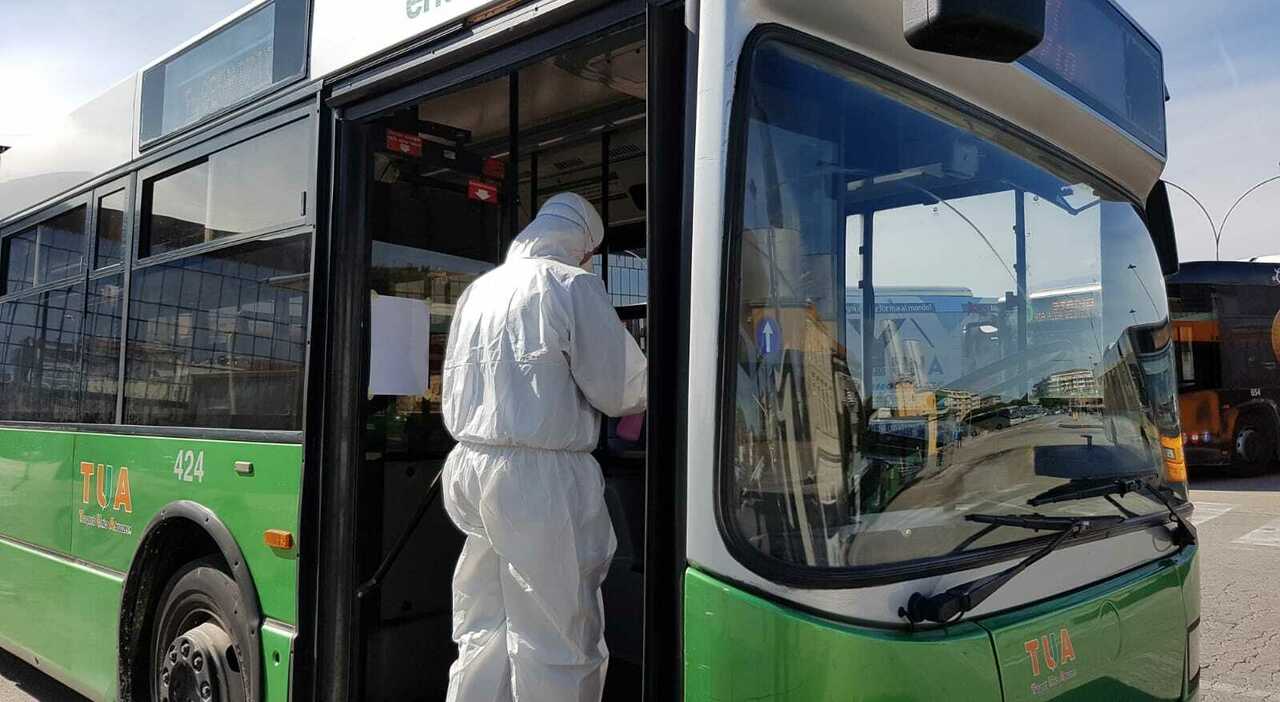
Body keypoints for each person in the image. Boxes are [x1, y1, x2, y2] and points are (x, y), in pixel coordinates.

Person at [440, 192, 647, 701]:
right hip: (540, 480)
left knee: (484, 625)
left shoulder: (479, 291)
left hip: (471, 465)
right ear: (582, 245)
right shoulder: (572, 285)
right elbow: (622, 390)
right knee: (557, 634)